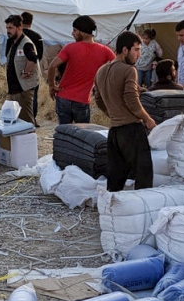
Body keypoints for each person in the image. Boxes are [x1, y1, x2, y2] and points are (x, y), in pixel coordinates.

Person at [92, 31, 157, 192]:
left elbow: (99, 100)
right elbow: (131, 100)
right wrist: (148, 119)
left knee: (115, 177)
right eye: (136, 49)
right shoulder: (129, 70)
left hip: (114, 131)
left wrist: (114, 114)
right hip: (131, 130)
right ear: (125, 50)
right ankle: (143, 209)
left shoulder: (101, 70)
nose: (139, 54)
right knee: (143, 173)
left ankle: (111, 209)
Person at [45, 15, 115, 125]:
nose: (72, 33)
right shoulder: (105, 51)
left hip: (63, 97)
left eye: (74, 30)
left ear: (83, 32)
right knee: (82, 136)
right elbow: (118, 65)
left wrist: (52, 86)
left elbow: (52, 66)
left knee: (64, 133)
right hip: (82, 100)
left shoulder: (70, 47)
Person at [4, 14, 40, 126]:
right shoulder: (13, 42)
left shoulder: (26, 43)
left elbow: (33, 59)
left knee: (27, 121)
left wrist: (26, 71)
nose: (8, 31)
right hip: (15, 88)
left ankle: (30, 141)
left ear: (19, 28)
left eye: (10, 28)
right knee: (17, 120)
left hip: (23, 89)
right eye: (7, 28)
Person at [21, 11, 44, 118]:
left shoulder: (17, 36)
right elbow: (40, 55)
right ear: (31, 22)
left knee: (19, 95)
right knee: (33, 96)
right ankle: (32, 118)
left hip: (19, 69)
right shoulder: (37, 36)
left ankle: (20, 117)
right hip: (34, 69)